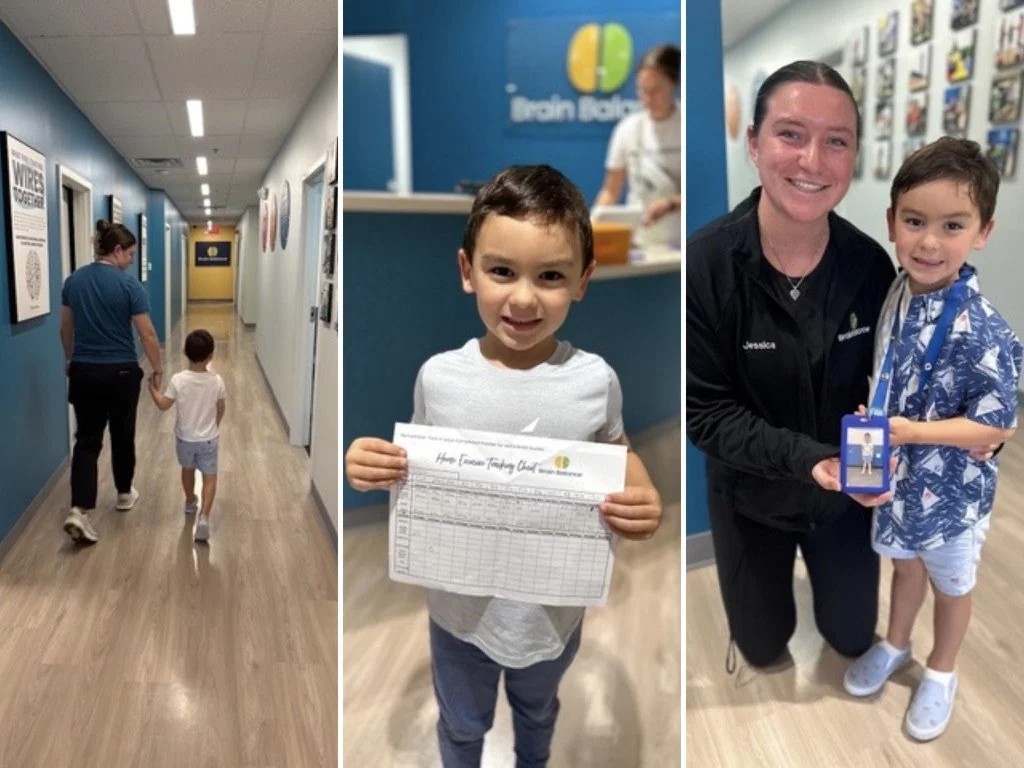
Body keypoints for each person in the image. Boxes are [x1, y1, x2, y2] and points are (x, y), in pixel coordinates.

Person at [344, 165, 663, 767]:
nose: (522, 297)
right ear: (468, 271)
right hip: (458, 615)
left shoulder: (594, 382)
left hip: (551, 616)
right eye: (501, 271)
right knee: (462, 727)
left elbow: (620, 454)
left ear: (583, 281)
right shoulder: (439, 378)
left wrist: (644, 500)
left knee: (539, 713)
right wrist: (371, 462)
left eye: (550, 276)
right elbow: (412, 465)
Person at [686, 61, 902, 671]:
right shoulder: (705, 266)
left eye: (836, 141)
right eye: (790, 134)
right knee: (762, 647)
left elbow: (891, 389)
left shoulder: (870, 265)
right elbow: (706, 415)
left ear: (854, 156)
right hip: (749, 494)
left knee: (853, 638)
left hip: (844, 496)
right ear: (753, 143)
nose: (812, 160)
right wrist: (810, 461)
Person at [842, 137, 1022, 741]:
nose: (928, 241)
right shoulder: (896, 291)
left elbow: (996, 423)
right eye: (915, 221)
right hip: (893, 479)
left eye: (952, 225)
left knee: (951, 581)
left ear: (982, 231)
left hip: (950, 492)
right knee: (903, 566)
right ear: (891, 222)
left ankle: (942, 671)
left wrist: (915, 430)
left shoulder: (984, 327)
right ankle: (896, 643)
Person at [60, 219, 163, 544]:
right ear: (116, 250)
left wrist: (70, 359)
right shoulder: (129, 286)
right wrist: (158, 367)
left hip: (85, 371)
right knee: (122, 434)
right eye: (130, 253)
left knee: (87, 441)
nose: (132, 260)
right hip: (120, 373)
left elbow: (65, 328)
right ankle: (123, 494)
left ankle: (79, 509)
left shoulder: (73, 281)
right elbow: (146, 333)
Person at [595, 43, 681, 247]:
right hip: (638, 240)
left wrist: (670, 204)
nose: (647, 98)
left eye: (655, 90)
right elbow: (610, 190)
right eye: (642, 90)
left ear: (673, 84)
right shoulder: (627, 129)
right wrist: (593, 224)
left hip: (681, 241)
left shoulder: (688, 124)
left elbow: (700, 187)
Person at [147, 329, 227, 543]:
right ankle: (204, 517)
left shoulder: (178, 380)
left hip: (185, 439)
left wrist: (152, 389)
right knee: (210, 476)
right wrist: (214, 425)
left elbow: (164, 405)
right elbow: (221, 407)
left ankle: (190, 500)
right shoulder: (217, 381)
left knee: (187, 469)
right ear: (211, 355)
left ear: (184, 352)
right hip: (209, 438)